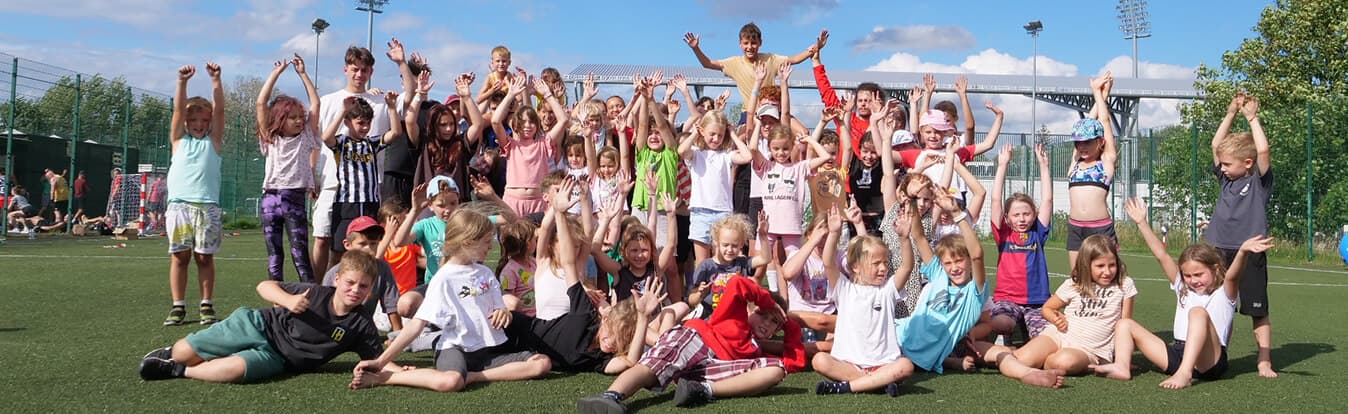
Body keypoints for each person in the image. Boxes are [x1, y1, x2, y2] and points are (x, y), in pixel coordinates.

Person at [349, 209, 552, 393]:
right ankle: (388, 378)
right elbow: (416, 325)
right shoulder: (443, 278)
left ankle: (473, 376)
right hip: (455, 350)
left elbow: (500, 307)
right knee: (450, 382)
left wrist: (504, 312)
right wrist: (381, 361)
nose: (491, 246)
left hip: (488, 351)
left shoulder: (485, 273)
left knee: (541, 363)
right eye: (487, 241)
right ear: (468, 242)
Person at [1091, 199, 1273, 389]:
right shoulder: (1182, 287)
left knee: (1198, 312)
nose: (1193, 280)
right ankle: (1121, 366)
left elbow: (1233, 276)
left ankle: (1185, 374)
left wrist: (1242, 251)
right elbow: (1161, 255)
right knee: (1124, 324)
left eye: (1199, 274)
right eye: (1187, 275)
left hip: (1209, 361)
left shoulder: (1225, 292)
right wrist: (1141, 222)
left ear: (1216, 268)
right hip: (1178, 353)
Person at [137, 251, 385, 383]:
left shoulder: (361, 324)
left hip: (277, 358)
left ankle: (178, 371)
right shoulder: (316, 293)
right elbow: (265, 286)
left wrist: (398, 367)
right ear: (337, 279)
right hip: (257, 326)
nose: (355, 290)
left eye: (363, 287)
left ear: (370, 289)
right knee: (183, 352)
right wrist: (288, 300)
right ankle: (174, 355)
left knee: (235, 370)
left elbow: (377, 359)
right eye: (350, 283)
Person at [575, 275, 804, 413]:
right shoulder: (734, 314)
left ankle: (701, 391)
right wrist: (766, 301)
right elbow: (737, 283)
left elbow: (794, 364)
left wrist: (789, 325)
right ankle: (611, 396)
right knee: (660, 362)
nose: (767, 323)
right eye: (763, 314)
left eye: (774, 322)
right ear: (750, 308)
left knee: (776, 369)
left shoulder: (756, 349)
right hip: (698, 339)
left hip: (710, 370)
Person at [982, 234, 1134, 387]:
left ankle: (1031, 363)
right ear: (1086, 265)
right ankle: (993, 354)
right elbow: (1047, 308)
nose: (1107, 272)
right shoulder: (1074, 284)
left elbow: (1125, 324)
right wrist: (1055, 318)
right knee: (1022, 359)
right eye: (1100, 266)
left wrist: (1123, 359)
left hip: (1090, 350)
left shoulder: (1124, 285)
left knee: (1064, 362)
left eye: (1112, 265)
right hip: (1058, 336)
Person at [1204, 92, 1278, 378]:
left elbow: (1263, 152)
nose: (1220, 168)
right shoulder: (1225, 180)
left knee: (1257, 308)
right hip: (1217, 249)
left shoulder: (1259, 182)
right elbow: (1215, 144)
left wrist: (1252, 117)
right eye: (1221, 164)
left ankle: (1264, 360)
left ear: (1246, 164)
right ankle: (1215, 353)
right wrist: (1231, 112)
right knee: (1217, 305)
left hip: (1250, 250)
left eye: (1227, 164)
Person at [811, 208, 915, 397]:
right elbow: (828, 263)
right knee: (820, 360)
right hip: (849, 364)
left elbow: (907, 267)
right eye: (876, 264)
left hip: (884, 364)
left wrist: (905, 238)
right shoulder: (845, 289)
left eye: (885, 262)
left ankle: (847, 387)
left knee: (905, 366)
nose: (883, 268)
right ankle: (877, 383)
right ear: (855, 267)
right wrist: (834, 233)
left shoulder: (887, 290)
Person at [313, 46, 390, 275]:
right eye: (355, 69)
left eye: (364, 70)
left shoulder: (380, 101)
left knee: (366, 243)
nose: (359, 74)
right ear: (346, 69)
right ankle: (319, 289)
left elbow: (394, 127)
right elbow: (317, 141)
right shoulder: (329, 100)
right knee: (323, 238)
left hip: (366, 190)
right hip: (330, 183)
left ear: (371, 72)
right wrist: (312, 174)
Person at [163, 63, 226, 326]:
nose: (198, 124)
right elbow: (178, 109)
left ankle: (206, 304)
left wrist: (215, 81)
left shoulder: (214, 142)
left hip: (208, 208)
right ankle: (178, 306)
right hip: (179, 208)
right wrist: (181, 82)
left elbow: (221, 109)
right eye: (193, 120)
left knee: (204, 257)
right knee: (180, 256)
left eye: (203, 120)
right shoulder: (179, 141)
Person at [320, 92, 404, 268]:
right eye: (360, 123)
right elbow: (326, 137)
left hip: (370, 204)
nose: (365, 127)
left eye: (368, 123)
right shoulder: (342, 143)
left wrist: (391, 108)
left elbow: (396, 133)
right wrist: (343, 111)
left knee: (370, 248)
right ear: (348, 122)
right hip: (346, 205)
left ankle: (369, 287)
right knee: (339, 251)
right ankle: (333, 287)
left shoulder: (371, 144)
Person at [256, 53, 320, 283]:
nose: (299, 121)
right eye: (292, 117)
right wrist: (275, 74)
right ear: (280, 119)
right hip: (270, 198)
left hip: (295, 197)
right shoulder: (270, 138)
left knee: (299, 251)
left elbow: (316, 104)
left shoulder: (306, 137)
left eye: (300, 117)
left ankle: (310, 292)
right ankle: (277, 296)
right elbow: (261, 103)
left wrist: (303, 74)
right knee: (274, 253)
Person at [980, 144, 1054, 343]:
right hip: (1007, 299)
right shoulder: (1003, 235)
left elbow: (1047, 200)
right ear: (1008, 218)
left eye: (1026, 214)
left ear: (1034, 214)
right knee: (1002, 323)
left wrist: (1044, 167)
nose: (1022, 219)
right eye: (1016, 215)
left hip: (1037, 302)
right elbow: (996, 199)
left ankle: (1027, 330)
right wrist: (1002, 165)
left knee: (1046, 337)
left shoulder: (1037, 233)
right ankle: (1007, 333)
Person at [683, 23, 815, 119]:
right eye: (746, 43)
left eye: (753, 43)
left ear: (760, 43)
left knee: (802, 132)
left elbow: (795, 59)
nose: (750, 47)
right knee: (742, 138)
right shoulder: (735, 63)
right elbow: (708, 64)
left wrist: (813, 49)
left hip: (772, 111)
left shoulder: (771, 59)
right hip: (749, 113)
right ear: (740, 44)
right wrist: (695, 48)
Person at [491, 73, 570, 217]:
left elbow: (563, 120)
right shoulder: (510, 145)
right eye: (522, 122)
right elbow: (495, 121)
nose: (527, 126)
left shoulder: (544, 143)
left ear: (537, 124)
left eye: (532, 122)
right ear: (515, 125)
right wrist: (510, 94)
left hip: (539, 201)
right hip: (512, 201)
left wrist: (547, 94)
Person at [680, 111, 753, 267]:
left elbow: (747, 157)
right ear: (703, 131)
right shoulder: (696, 153)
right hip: (700, 211)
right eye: (712, 134)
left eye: (720, 135)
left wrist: (733, 134)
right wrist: (694, 132)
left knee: (722, 258)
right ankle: (702, 289)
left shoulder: (726, 155)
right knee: (702, 260)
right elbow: (681, 151)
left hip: (723, 212)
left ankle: (721, 288)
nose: (716, 139)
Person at [1065, 73, 1119, 265]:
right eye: (1079, 143)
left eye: (1088, 142)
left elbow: (1103, 121)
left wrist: (1098, 92)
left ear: (1100, 141)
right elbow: (1089, 121)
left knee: (1107, 276)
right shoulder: (1075, 163)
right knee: (1076, 276)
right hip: (1075, 228)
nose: (1082, 146)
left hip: (1100, 228)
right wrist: (1100, 96)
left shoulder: (1106, 162)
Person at [320, 216, 402, 333]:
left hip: (364, 327)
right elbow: (324, 307)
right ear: (347, 245)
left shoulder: (382, 268)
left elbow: (391, 303)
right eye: (362, 244)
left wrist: (397, 332)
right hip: (336, 326)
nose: (368, 248)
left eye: (373, 243)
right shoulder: (334, 272)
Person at [686, 213, 772, 319]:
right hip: (710, 317)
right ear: (716, 242)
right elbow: (691, 300)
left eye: (735, 246)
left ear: (741, 244)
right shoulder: (706, 266)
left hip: (735, 318)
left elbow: (765, 258)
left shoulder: (742, 263)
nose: (730, 250)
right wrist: (700, 294)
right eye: (725, 245)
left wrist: (763, 236)